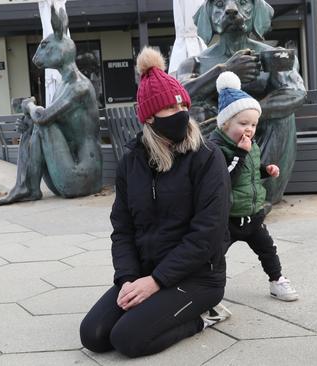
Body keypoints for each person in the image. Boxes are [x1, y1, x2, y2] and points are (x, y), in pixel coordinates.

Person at [78, 47, 232, 358]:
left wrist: (157, 282)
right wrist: (128, 279)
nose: (181, 114)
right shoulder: (131, 163)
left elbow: (207, 235)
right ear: (148, 118)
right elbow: (122, 229)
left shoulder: (207, 158)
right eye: (170, 109)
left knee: (129, 339)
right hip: (146, 272)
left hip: (198, 277)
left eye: (182, 105)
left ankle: (206, 316)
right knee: (93, 335)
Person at [209, 71, 298, 302]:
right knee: (214, 255)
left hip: (252, 215)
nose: (250, 128)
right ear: (225, 123)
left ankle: (277, 280)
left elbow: (249, 171)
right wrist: (240, 152)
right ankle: (207, 288)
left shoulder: (249, 145)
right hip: (228, 217)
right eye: (243, 123)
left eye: (254, 124)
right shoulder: (216, 149)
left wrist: (265, 170)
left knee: (267, 249)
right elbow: (225, 179)